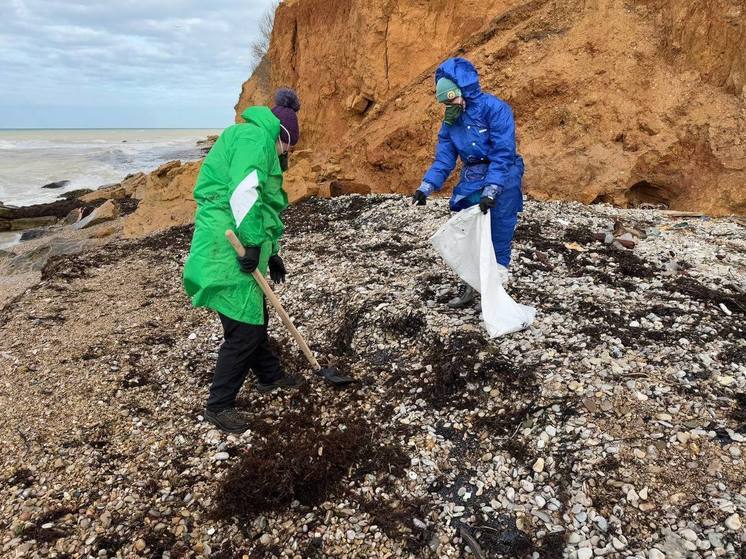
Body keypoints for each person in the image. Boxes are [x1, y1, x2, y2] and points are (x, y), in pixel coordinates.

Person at [183, 89, 302, 434]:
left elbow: (263, 206)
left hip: (238, 237)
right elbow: (245, 192)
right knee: (244, 328)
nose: (285, 155)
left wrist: (273, 250)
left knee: (251, 316)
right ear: (282, 134)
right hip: (227, 242)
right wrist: (251, 244)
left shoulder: (255, 136)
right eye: (287, 147)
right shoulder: (254, 137)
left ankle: (269, 376)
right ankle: (218, 405)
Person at [412, 57, 525, 308]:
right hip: (472, 176)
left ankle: (495, 292)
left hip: (504, 173)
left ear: (462, 91)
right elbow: (444, 159)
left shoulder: (494, 109)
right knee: (468, 231)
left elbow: (503, 152)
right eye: (444, 103)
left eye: (451, 101)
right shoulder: (451, 122)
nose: (448, 107)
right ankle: (470, 286)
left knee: (499, 229)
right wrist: (426, 187)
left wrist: (493, 188)